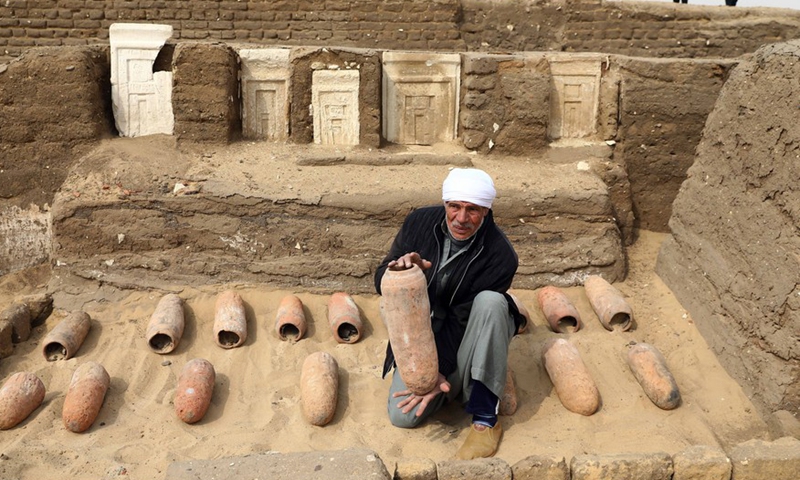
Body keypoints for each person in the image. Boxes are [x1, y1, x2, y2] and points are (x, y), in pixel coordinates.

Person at [374, 168, 526, 460]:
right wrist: (398, 271)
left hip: (467, 332)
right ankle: (465, 381)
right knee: (402, 418)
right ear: (445, 204)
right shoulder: (419, 222)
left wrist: (438, 370)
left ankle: (485, 419)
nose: (461, 218)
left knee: (492, 303)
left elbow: (461, 319)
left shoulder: (500, 255)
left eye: (473, 210)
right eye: (454, 206)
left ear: (486, 210)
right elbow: (379, 280)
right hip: (425, 332)